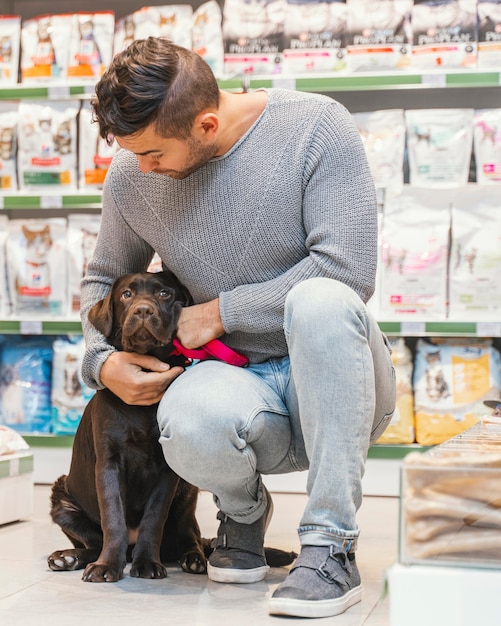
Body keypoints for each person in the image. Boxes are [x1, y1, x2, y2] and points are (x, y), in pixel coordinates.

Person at [81, 36, 396, 619]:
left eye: (153, 154)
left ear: (204, 124)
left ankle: (331, 544)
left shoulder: (316, 128)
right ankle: (242, 515)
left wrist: (222, 311)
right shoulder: (131, 174)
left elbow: (348, 269)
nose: (140, 168)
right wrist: (99, 362)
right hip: (234, 380)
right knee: (187, 418)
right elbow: (102, 282)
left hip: (332, 377)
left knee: (321, 301)